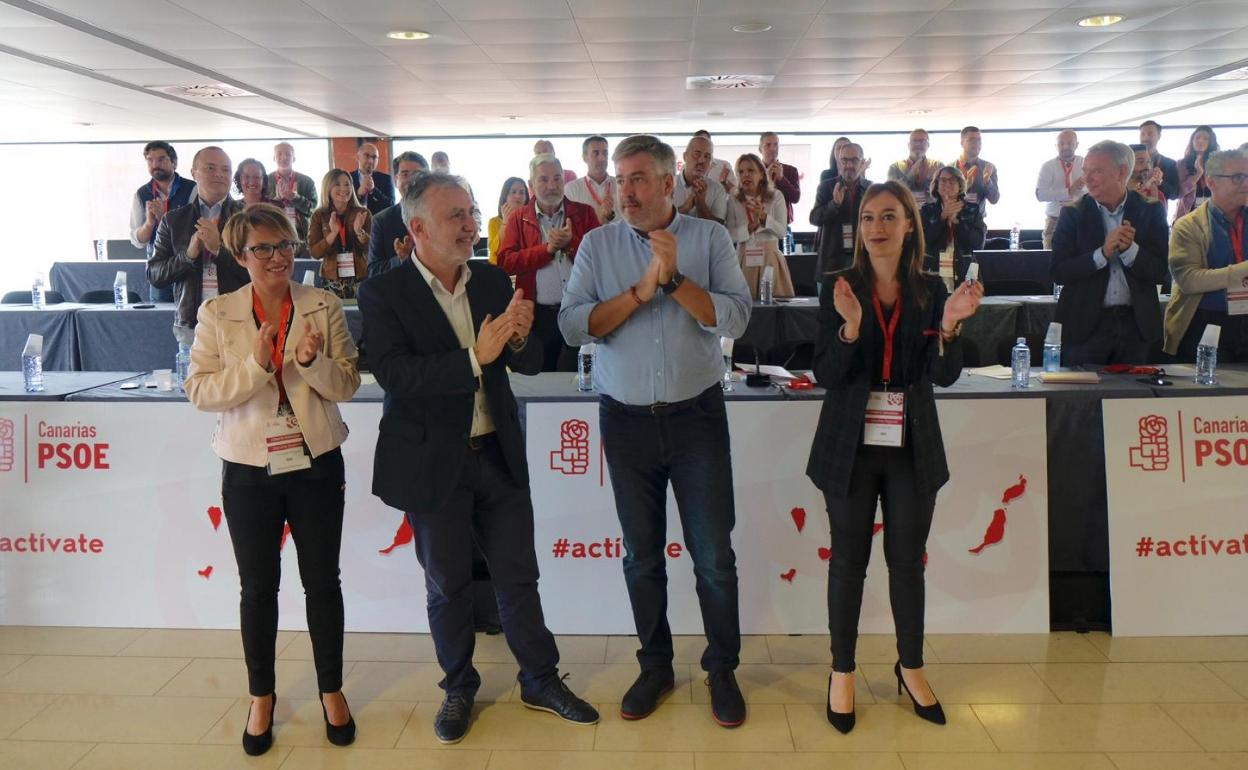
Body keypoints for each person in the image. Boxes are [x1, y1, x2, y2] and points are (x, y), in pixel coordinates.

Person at [358, 172, 598, 745]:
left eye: (471, 212)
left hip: (498, 453)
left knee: (519, 577)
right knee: (448, 585)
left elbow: (534, 360)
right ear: (417, 228)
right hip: (431, 463)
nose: (471, 225)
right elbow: (393, 374)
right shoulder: (383, 292)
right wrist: (473, 356)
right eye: (456, 216)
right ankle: (458, 687)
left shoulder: (492, 280)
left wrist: (516, 339)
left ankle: (540, 679)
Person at [558, 135, 752, 728]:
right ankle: (656, 665)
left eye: (639, 178)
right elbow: (572, 327)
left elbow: (738, 316)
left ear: (669, 184)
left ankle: (722, 669)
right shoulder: (596, 244)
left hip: (696, 419)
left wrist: (672, 281)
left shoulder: (709, 238)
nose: (627, 190)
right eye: (621, 179)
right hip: (626, 422)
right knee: (642, 556)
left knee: (713, 555)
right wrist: (642, 291)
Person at [806, 179, 982, 735]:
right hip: (849, 447)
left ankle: (911, 666)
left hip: (912, 444)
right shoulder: (838, 284)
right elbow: (827, 374)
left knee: (907, 561)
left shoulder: (932, 289)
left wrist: (950, 325)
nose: (876, 227)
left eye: (889, 216)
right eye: (867, 218)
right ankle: (842, 671)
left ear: (910, 224)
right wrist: (852, 328)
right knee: (847, 562)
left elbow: (944, 375)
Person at [185, 203, 361, 757]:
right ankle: (261, 696)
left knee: (322, 581)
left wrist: (310, 362)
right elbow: (200, 391)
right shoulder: (218, 313)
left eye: (284, 245)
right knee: (258, 588)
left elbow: (348, 383)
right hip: (247, 468)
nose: (278, 257)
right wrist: (258, 366)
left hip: (315, 463)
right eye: (263, 249)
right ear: (241, 256)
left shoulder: (323, 304)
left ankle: (331, 689)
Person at [1051, 140, 1169, 365]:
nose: (1088, 178)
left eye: (1097, 171)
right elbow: (1058, 272)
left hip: (1136, 325)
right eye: (1086, 172)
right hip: (1085, 325)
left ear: (1122, 172)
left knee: (1134, 398)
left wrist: (1130, 250)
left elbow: (1160, 272)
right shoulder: (1072, 214)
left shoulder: (1150, 210)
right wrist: (1101, 254)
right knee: (1083, 399)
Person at [497, 154, 599, 372]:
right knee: (540, 379)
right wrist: (547, 250)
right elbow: (505, 262)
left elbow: (600, 258)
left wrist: (571, 244)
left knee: (580, 382)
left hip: (580, 311)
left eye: (557, 179)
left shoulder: (585, 213)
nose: (551, 186)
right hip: (538, 315)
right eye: (543, 180)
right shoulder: (518, 218)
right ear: (531, 184)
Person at [148, 146, 248, 346]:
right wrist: (189, 255)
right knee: (195, 377)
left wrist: (219, 249)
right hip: (191, 323)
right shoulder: (173, 220)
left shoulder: (249, 218)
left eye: (226, 170)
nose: (219, 174)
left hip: (240, 320)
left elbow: (259, 272)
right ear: (194, 173)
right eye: (210, 168)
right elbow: (154, 275)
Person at [1164, 149, 1248, 364]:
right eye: (1238, 177)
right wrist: (1243, 270)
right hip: (1205, 323)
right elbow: (1189, 280)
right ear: (1211, 182)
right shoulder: (1188, 226)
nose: (1245, 183)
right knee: (1209, 394)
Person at [725, 153, 793, 299]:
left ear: (762, 174)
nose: (745, 175)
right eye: (741, 172)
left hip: (770, 259)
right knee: (746, 311)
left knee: (774, 313)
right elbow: (729, 234)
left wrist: (763, 218)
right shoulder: (733, 198)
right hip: (744, 258)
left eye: (751, 170)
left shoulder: (776, 196)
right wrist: (749, 228)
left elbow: (782, 232)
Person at [130, 140, 195, 266]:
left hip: (186, 262)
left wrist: (166, 218)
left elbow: (195, 231)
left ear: (174, 162)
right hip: (156, 265)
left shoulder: (192, 189)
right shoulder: (141, 194)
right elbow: (138, 242)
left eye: (161, 159)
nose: (155, 165)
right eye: (150, 160)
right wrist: (149, 224)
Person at [811, 142, 871, 279]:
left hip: (862, 261)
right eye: (844, 160)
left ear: (862, 163)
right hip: (832, 262)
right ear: (838, 162)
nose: (849, 165)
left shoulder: (871, 189)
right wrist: (834, 204)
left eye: (854, 160)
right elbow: (814, 219)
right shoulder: (826, 187)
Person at [308, 169, 371, 299]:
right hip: (331, 279)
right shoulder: (319, 215)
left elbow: (372, 248)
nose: (344, 188)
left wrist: (359, 231)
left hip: (360, 276)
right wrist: (333, 234)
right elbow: (314, 253)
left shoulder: (362, 213)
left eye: (347, 184)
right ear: (328, 188)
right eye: (337, 184)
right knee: (335, 317)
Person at [921, 165, 985, 288]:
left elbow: (977, 242)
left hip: (966, 268)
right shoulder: (927, 210)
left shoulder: (972, 209)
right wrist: (942, 217)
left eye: (952, 180)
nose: (947, 184)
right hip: (934, 267)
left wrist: (956, 221)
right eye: (943, 180)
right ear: (936, 184)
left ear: (960, 185)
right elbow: (924, 242)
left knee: (967, 305)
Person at [367, 151, 428, 276]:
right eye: (405, 174)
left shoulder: (441, 216)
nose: (412, 180)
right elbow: (373, 271)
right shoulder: (381, 221)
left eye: (418, 175)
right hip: (397, 292)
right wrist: (402, 259)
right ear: (395, 180)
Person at [1035, 129, 1085, 249]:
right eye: (1061, 143)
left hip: (1081, 218)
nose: (1065, 146)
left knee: (1080, 260)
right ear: (1056, 145)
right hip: (1054, 220)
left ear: (1077, 144)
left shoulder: (1085, 163)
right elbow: (1040, 195)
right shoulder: (1048, 166)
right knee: (1050, 260)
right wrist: (1069, 191)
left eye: (1070, 143)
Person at [267, 142, 318, 242]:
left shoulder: (307, 181)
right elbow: (261, 210)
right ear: (274, 158)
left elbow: (312, 210)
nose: (284, 157)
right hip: (274, 233)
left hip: (301, 236)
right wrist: (276, 201)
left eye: (288, 154)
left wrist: (296, 198)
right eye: (279, 154)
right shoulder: (265, 181)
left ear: (294, 158)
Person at [674, 135, 729, 224]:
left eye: (707, 156)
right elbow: (659, 222)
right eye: (697, 154)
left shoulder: (717, 190)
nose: (702, 160)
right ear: (685, 156)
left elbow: (719, 228)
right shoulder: (667, 185)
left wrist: (701, 204)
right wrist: (685, 207)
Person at [564, 135, 618, 224]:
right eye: (596, 153)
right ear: (584, 157)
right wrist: (597, 217)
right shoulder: (571, 190)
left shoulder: (620, 185)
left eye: (605, 153)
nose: (602, 158)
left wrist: (610, 215)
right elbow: (570, 226)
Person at [1175, 125, 1220, 222]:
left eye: (1205, 139)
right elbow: (1180, 192)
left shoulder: (1217, 164)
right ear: (1192, 141)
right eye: (1197, 138)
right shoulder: (1182, 164)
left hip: (1213, 214)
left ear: (1210, 143)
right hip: (1188, 213)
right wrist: (1198, 174)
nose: (1200, 141)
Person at [888, 129, 942, 207]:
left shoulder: (938, 166)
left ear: (928, 145)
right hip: (904, 213)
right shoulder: (895, 167)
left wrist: (931, 178)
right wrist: (911, 174)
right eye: (914, 141)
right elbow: (892, 192)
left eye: (922, 141)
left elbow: (943, 194)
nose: (918, 144)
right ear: (908, 145)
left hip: (932, 214)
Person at [759, 131, 801, 223]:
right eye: (768, 145)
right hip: (759, 224)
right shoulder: (753, 172)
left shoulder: (791, 171)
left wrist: (782, 179)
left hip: (784, 225)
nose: (773, 148)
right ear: (760, 149)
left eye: (776, 145)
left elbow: (796, 198)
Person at [956, 126, 1000, 209]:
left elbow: (994, 199)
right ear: (962, 143)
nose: (976, 143)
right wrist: (965, 186)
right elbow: (945, 198)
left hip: (978, 220)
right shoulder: (951, 168)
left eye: (979, 140)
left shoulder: (989, 167)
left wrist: (987, 181)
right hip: (955, 218)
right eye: (971, 139)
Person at [488, 177, 528, 264]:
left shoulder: (530, 222)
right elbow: (495, 251)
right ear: (505, 196)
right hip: (499, 270)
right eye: (513, 192)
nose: (518, 196)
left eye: (522, 192)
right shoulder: (494, 222)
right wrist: (505, 223)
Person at [1139, 120, 1181, 202]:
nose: (1146, 138)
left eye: (1150, 134)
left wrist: (1160, 182)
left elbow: (1175, 194)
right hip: (1133, 210)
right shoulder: (1131, 162)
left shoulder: (1170, 164)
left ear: (1159, 136)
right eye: (1142, 134)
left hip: (1159, 211)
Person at [351, 142, 394, 215]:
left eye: (374, 157)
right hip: (353, 223)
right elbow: (343, 204)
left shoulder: (386, 179)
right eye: (367, 156)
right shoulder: (348, 178)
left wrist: (373, 191)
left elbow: (391, 206)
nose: (370, 161)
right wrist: (358, 194)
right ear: (358, 157)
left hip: (378, 224)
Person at [694, 129, 737, 194]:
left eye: (705, 141)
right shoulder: (687, 167)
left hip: (720, 203)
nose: (702, 145)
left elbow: (735, 192)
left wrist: (725, 182)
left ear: (711, 144)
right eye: (698, 143)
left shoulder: (724, 165)